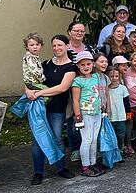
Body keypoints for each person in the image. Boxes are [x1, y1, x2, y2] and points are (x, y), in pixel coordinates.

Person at [24, 35, 76, 186]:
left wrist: (38, 93)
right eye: (54, 45)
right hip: (40, 109)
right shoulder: (45, 63)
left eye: (60, 45)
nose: (56, 48)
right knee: (37, 141)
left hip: (57, 109)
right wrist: (27, 90)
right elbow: (30, 79)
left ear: (67, 46)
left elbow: (62, 88)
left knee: (57, 138)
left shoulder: (71, 67)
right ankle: (38, 172)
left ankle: (61, 168)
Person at [71, 51, 106, 177]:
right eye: (82, 65)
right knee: (86, 140)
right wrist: (78, 116)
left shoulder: (97, 77)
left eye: (88, 64)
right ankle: (85, 167)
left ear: (93, 64)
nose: (86, 67)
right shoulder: (77, 81)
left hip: (97, 113)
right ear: (78, 66)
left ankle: (93, 163)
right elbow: (75, 100)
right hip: (85, 114)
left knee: (94, 140)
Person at [107, 68, 130, 156]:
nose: (114, 78)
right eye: (111, 76)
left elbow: (126, 102)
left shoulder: (123, 88)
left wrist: (128, 114)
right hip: (110, 118)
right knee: (112, 136)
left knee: (121, 135)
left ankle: (120, 151)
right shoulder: (106, 89)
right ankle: (113, 152)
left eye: (116, 76)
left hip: (121, 117)